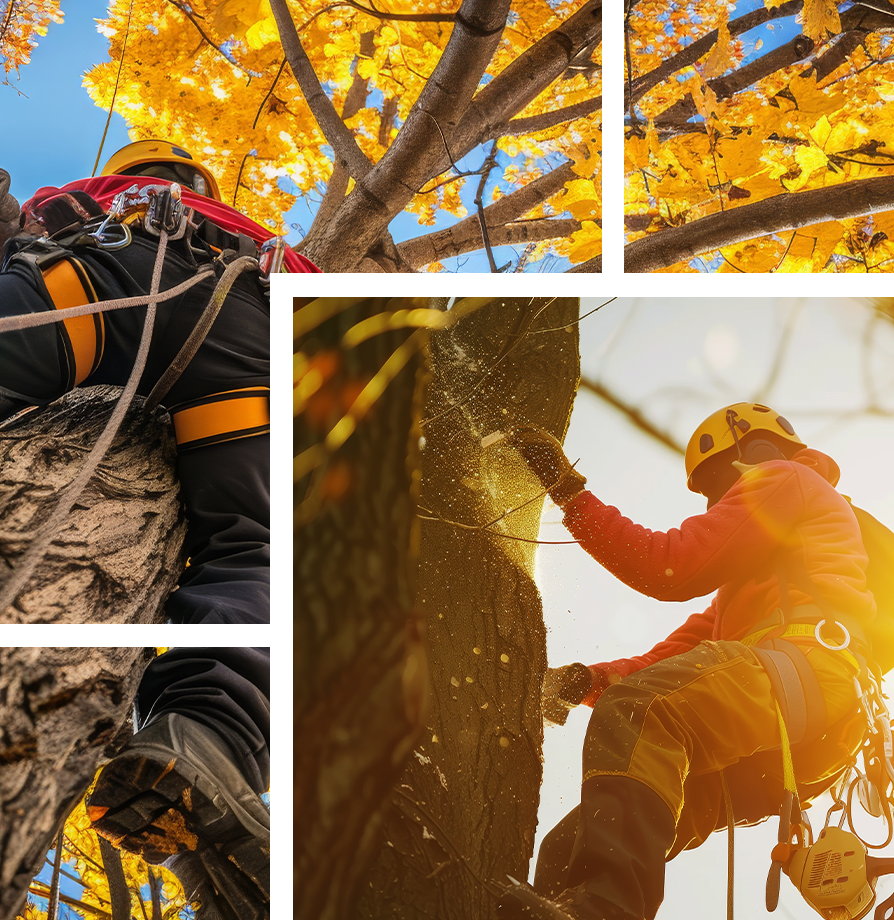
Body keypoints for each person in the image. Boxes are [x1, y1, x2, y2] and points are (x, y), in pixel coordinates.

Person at [0, 140, 333, 919]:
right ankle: (210, 731)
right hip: (258, 337)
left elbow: (13, 228)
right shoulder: (272, 242)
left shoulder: (86, 192)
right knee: (256, 548)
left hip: (94, 282)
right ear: (199, 182)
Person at [499, 403, 874, 920]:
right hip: (792, 736)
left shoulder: (786, 478)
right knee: (576, 841)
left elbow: (668, 566)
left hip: (809, 673)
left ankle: (605, 911)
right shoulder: (745, 597)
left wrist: (569, 492)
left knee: (641, 709)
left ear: (752, 451)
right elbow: (675, 656)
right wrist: (589, 681)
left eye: (715, 483)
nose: (714, 503)